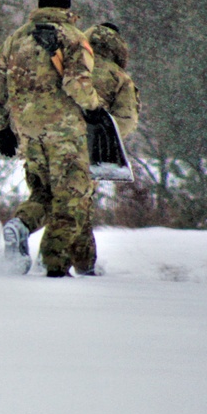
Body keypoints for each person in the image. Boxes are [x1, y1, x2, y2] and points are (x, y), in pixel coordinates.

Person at [0, 0, 105, 277]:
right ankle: (53, 269)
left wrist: (2, 128)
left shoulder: (15, 38)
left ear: (39, 2)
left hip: (29, 134)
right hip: (64, 134)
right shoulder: (74, 38)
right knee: (71, 199)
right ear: (67, 3)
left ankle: (20, 225)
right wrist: (95, 110)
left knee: (43, 195)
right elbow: (76, 83)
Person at [69, 21, 141, 272]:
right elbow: (126, 120)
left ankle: (49, 250)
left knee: (58, 200)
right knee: (81, 206)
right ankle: (83, 264)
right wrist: (101, 139)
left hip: (58, 141)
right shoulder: (119, 77)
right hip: (89, 152)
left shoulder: (74, 65)